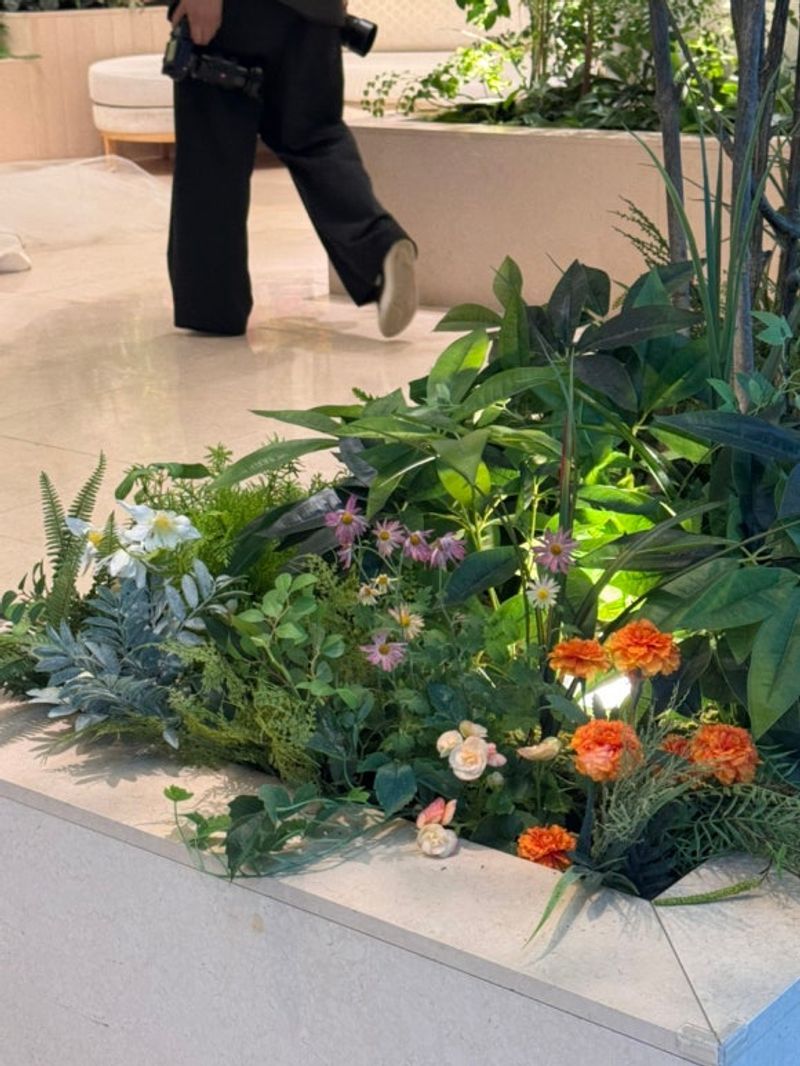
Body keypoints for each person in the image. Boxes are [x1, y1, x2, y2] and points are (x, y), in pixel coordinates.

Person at [166, 0, 418, 338]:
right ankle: (378, 247)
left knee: (212, 157)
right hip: (317, 13)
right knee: (316, 137)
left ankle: (214, 308)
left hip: (236, 14)